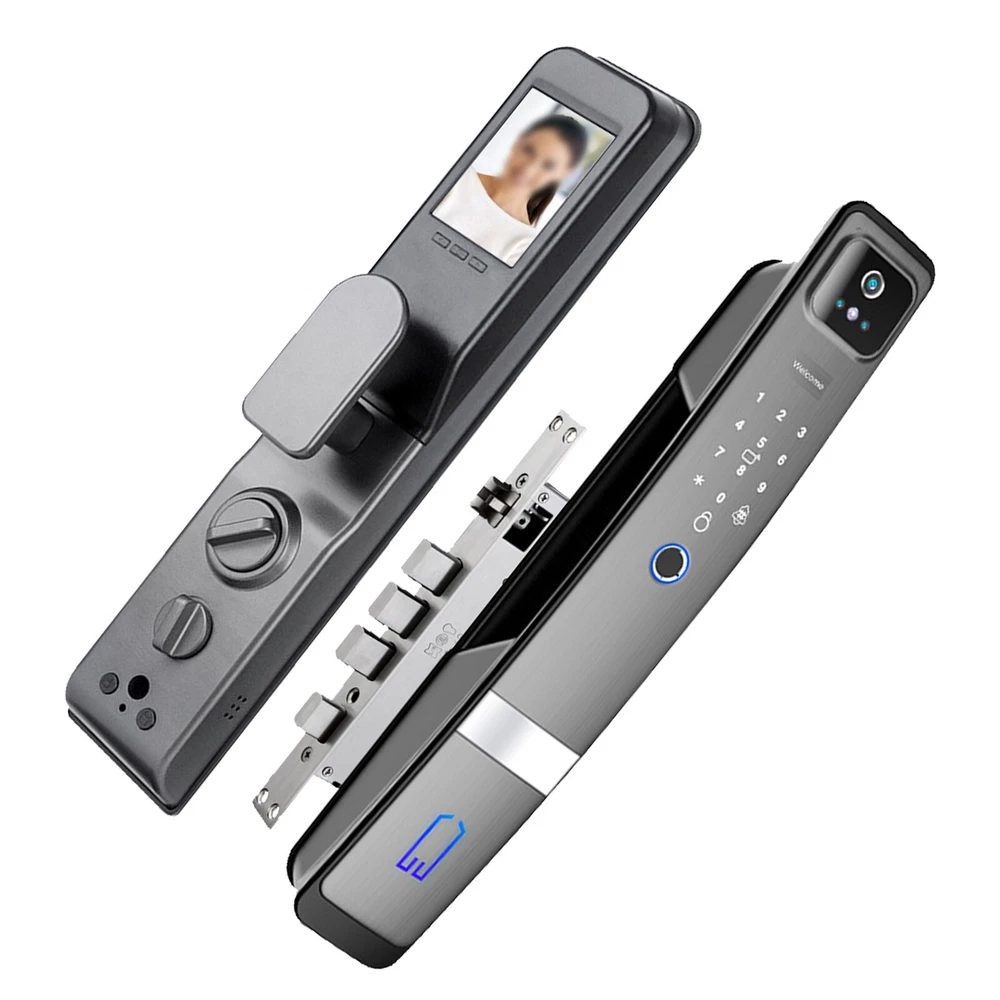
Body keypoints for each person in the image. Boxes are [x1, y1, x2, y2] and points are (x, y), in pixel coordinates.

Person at [436, 114, 588, 265]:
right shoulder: (456, 178)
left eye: (548, 165)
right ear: (518, 141)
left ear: (563, 173)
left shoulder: (524, 245)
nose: (529, 169)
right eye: (529, 150)